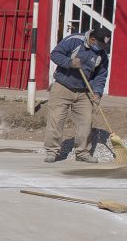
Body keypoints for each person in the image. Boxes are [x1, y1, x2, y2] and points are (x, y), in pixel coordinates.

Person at [43, 27, 111, 163]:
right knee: (56, 121)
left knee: (85, 122)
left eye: (104, 46)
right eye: (100, 45)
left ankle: (82, 153)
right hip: (62, 87)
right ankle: (52, 152)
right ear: (92, 39)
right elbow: (55, 54)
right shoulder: (74, 40)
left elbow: (101, 76)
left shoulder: (102, 55)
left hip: (84, 92)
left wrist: (97, 93)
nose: (102, 48)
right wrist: (69, 62)